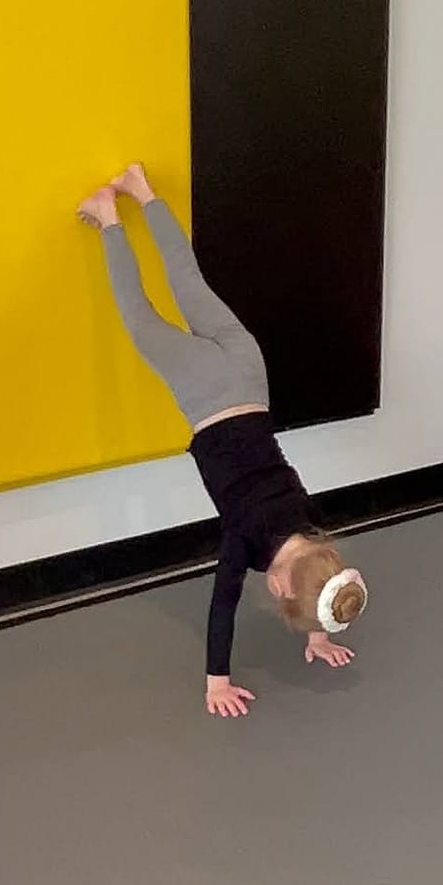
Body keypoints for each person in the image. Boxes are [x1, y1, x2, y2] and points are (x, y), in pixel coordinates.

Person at [78, 164, 366, 717]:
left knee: (189, 283)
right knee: (140, 319)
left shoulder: (309, 524)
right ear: (278, 582)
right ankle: (109, 217)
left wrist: (319, 632)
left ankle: (141, 190)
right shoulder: (246, 537)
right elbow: (222, 608)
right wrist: (216, 683)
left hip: (248, 372)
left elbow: (316, 574)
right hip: (205, 395)